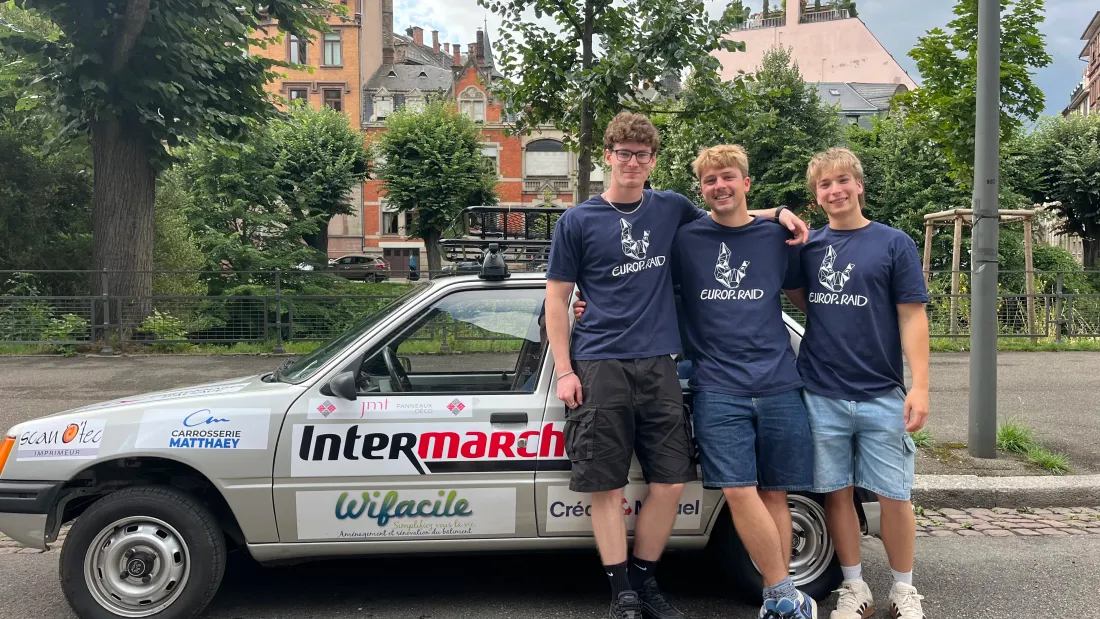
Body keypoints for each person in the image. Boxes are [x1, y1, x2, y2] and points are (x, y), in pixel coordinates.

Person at [545, 112, 807, 619]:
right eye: (623, 152)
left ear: (653, 161)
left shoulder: (671, 209)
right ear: (607, 156)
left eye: (642, 155)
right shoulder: (577, 220)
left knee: (668, 481)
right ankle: (621, 590)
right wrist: (564, 369)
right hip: (599, 362)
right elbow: (556, 301)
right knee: (607, 484)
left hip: (661, 362)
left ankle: (645, 580)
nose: (632, 162)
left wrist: (778, 213)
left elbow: (729, 213)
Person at [784, 148, 930, 619]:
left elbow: (912, 316)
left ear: (859, 185)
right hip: (821, 391)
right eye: (825, 186)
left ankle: (904, 590)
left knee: (895, 496)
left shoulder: (893, 244)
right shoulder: (810, 248)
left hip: (882, 392)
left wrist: (921, 386)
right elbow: (805, 301)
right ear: (817, 197)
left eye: (842, 181)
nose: (835, 191)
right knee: (836, 493)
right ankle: (853, 587)